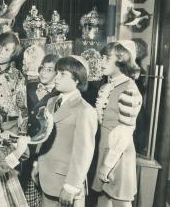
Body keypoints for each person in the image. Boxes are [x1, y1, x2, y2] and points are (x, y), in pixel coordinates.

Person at [32, 55, 98, 207]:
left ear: (77, 79)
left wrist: (71, 186)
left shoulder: (84, 110)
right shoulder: (51, 102)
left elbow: (84, 152)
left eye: (63, 74)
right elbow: (44, 135)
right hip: (46, 176)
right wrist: (37, 164)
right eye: (57, 72)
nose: (56, 77)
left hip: (65, 182)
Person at [92, 40, 142, 207]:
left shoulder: (129, 89)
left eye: (107, 58)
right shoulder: (108, 86)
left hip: (117, 154)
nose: (102, 62)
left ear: (122, 60)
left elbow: (124, 133)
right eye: (102, 58)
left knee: (120, 201)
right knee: (103, 200)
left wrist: (107, 165)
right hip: (104, 148)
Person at [22, 54, 60, 207]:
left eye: (49, 70)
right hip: (27, 145)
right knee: (27, 190)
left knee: (45, 192)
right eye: (42, 68)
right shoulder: (29, 87)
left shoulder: (59, 94)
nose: (43, 72)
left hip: (45, 147)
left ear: (58, 73)